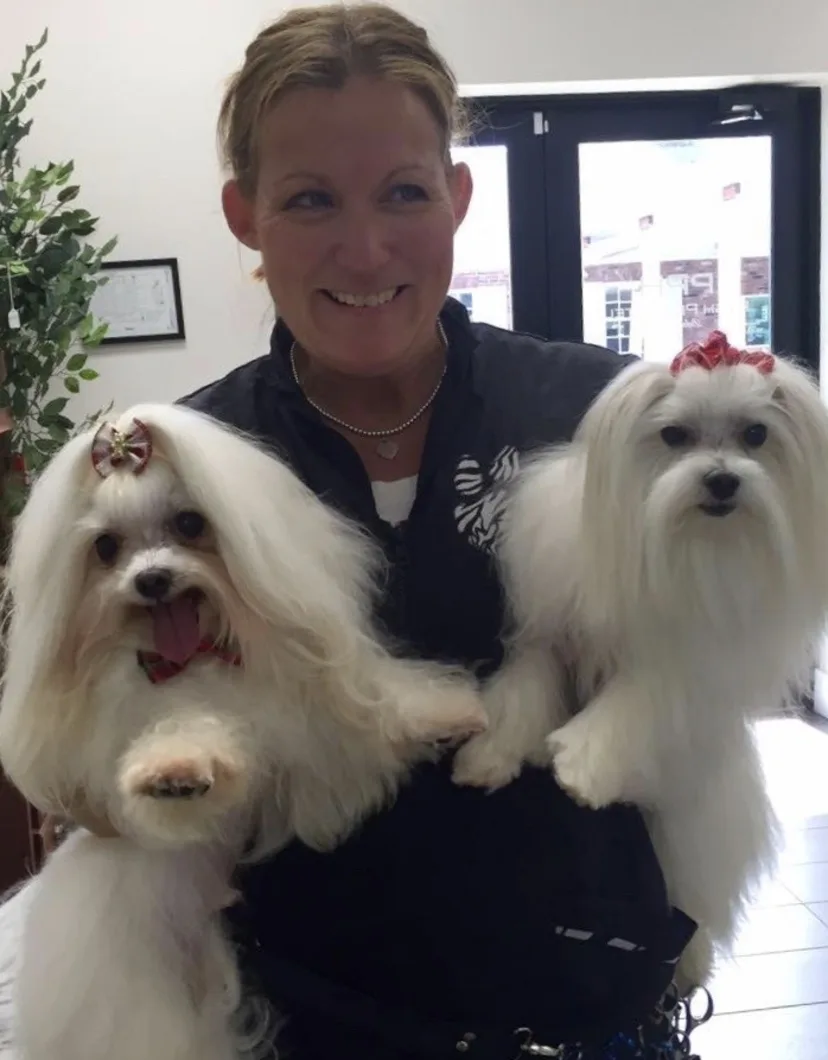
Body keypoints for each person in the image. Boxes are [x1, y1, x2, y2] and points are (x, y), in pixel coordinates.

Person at [70, 4, 703, 1057]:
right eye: (310, 199)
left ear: (458, 196)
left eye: (405, 191)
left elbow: (724, 656)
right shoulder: (183, 464)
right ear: (243, 214)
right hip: (302, 1017)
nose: (364, 249)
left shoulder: (599, 415)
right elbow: (84, 745)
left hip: (588, 1006)